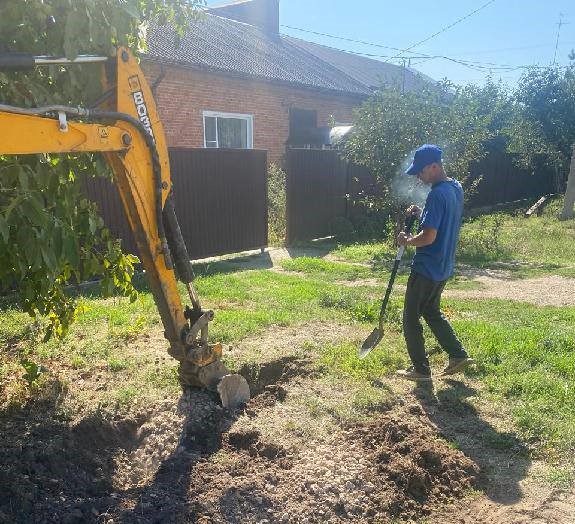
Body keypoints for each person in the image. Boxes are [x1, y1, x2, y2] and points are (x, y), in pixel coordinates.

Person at [395, 144, 473, 381]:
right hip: (443, 266)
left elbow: (429, 236)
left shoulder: (437, 193)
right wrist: (423, 213)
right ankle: (458, 355)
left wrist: (407, 240)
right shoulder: (454, 188)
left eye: (421, 171)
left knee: (410, 316)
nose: (419, 176)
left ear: (434, 166)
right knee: (431, 311)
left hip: (426, 268)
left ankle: (420, 369)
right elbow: (442, 218)